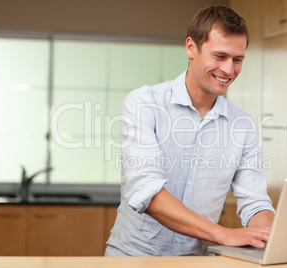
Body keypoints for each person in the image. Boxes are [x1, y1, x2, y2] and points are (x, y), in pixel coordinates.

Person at [105, 5, 275, 256]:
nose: (229, 70)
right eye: (219, 56)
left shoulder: (243, 126)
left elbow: (255, 201)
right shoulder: (145, 104)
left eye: (237, 59)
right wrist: (223, 234)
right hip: (134, 257)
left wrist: (268, 236)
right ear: (190, 47)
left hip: (197, 260)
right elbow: (147, 192)